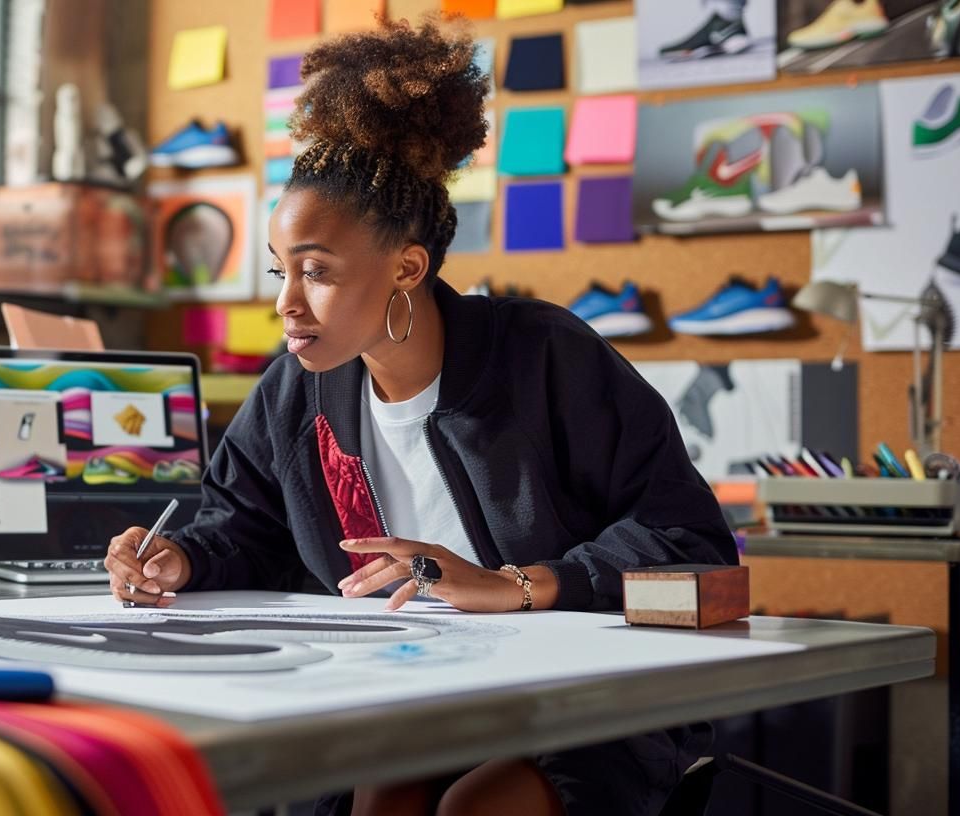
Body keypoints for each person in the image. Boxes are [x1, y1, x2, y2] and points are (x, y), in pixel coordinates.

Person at [103, 17, 736, 816]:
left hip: (585, 701)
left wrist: (515, 585)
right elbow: (248, 529)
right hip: (414, 688)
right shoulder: (296, 390)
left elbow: (690, 545)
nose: (286, 305)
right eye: (279, 271)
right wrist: (178, 561)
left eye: (317, 273)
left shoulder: (544, 358)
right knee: (380, 793)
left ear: (408, 266)